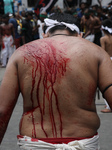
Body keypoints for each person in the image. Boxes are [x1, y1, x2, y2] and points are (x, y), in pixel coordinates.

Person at [0, 12, 112, 150]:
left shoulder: (20, 53)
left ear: (45, 34)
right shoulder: (97, 52)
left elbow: (2, 111)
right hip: (83, 144)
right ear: (79, 35)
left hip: (34, 144)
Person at [100, 19, 112, 113]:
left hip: (108, 60)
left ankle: (109, 106)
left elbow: (103, 52)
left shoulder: (103, 39)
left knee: (107, 83)